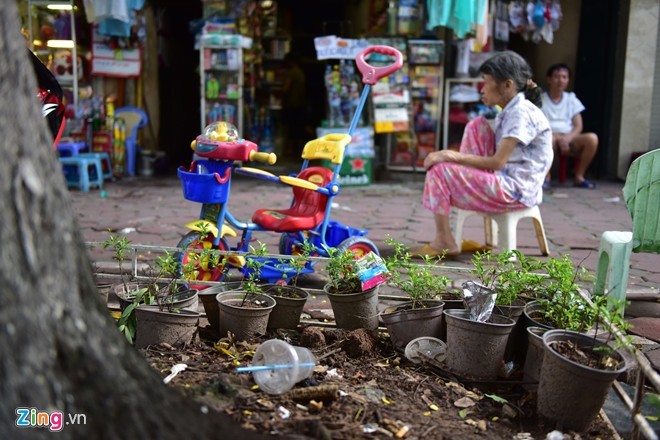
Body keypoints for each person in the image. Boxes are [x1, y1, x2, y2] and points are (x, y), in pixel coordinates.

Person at [413, 51, 553, 258]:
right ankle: (455, 188)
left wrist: (449, 156)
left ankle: (444, 239)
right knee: (476, 125)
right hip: (506, 180)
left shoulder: (521, 113)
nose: (482, 89)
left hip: (515, 190)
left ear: (507, 85)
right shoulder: (512, 109)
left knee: (439, 171)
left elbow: (497, 162)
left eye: (486, 83)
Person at [541, 63, 598, 189]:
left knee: (592, 138)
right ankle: (546, 177)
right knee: (547, 139)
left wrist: (567, 138)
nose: (561, 80)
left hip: (569, 137)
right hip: (549, 135)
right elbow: (539, 124)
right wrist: (556, 137)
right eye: (557, 76)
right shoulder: (541, 99)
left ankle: (579, 177)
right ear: (549, 79)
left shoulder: (571, 99)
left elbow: (578, 125)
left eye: (564, 77)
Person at [280, 51, 307, 159]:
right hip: (300, 104)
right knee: (299, 129)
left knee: (291, 129)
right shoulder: (300, 72)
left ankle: (290, 153)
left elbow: (286, 88)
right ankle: (300, 153)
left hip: (292, 104)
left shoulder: (292, 72)